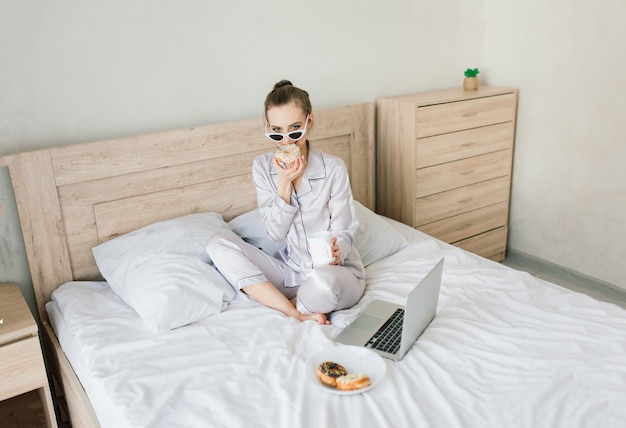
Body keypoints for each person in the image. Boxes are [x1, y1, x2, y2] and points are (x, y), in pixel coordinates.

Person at [206, 80, 365, 325]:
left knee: (324, 284)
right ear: (267, 127)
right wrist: (283, 184)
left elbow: (344, 230)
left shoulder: (333, 168)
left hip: (336, 273)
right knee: (217, 244)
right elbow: (275, 233)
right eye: (276, 132)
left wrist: (337, 252)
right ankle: (294, 311)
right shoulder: (262, 166)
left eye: (295, 130)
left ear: (309, 122)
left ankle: (296, 301)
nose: (286, 141)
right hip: (293, 270)